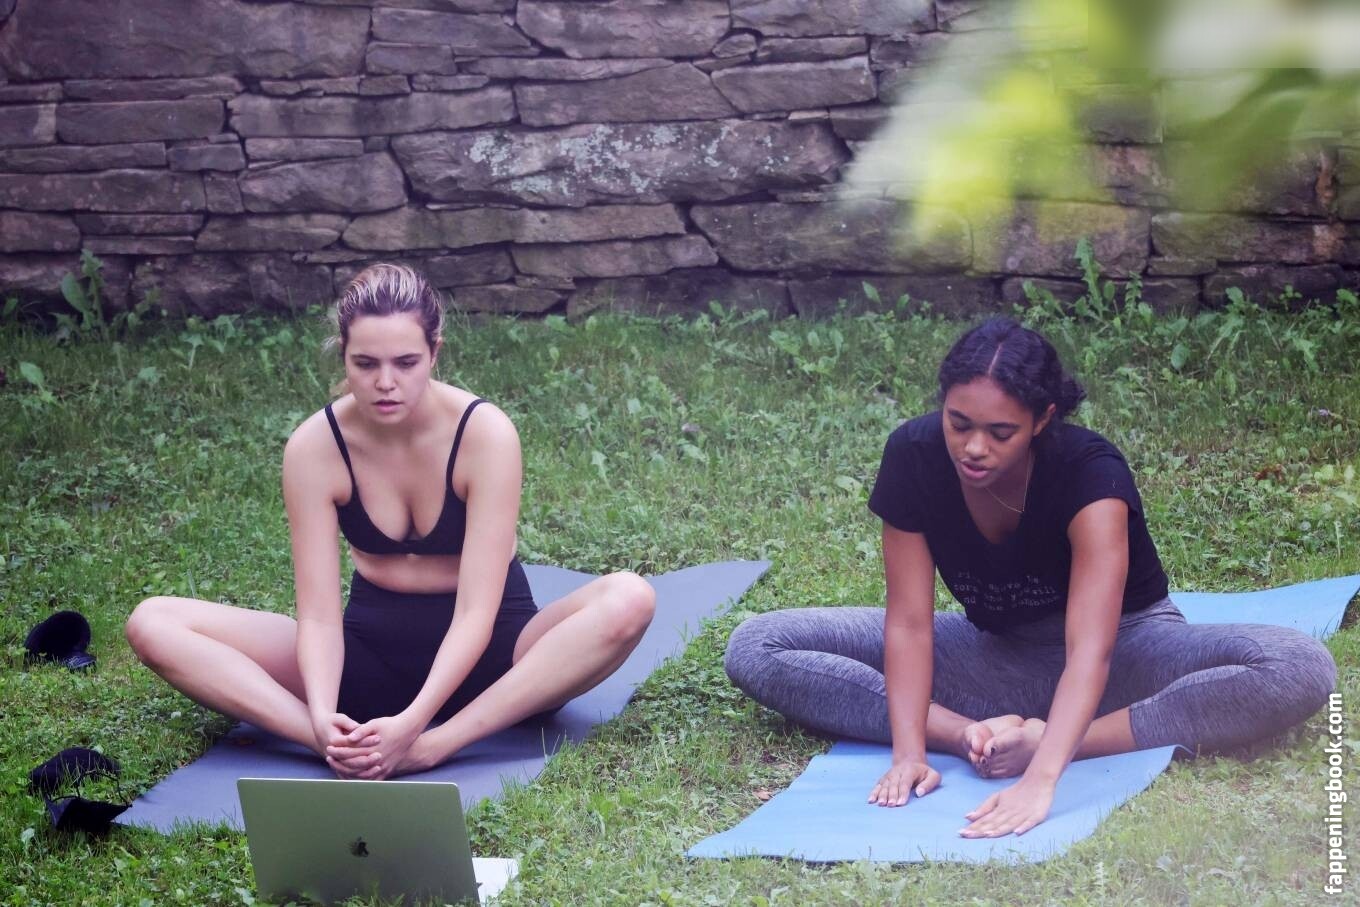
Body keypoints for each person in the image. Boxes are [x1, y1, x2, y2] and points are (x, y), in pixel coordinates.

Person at [724, 317, 1336, 838]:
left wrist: (1044, 769)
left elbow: (1090, 650)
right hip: (996, 657)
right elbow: (909, 623)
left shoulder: (1089, 473)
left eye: (1000, 433)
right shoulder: (913, 455)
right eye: (959, 423)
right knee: (761, 644)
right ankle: (974, 736)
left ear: (1042, 419)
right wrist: (910, 752)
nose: (974, 448)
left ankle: (1061, 735)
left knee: (1296, 666)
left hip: (1127, 655)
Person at [127, 263, 655, 780]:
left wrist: (420, 731)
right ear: (343, 354)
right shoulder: (315, 447)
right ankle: (335, 745)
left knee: (629, 598)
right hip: (367, 660)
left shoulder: (484, 434)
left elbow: (475, 613)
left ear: (434, 353)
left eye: (406, 362)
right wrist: (320, 716)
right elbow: (318, 617)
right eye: (365, 364)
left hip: (496, 664)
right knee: (153, 623)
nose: (386, 383)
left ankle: (439, 745)